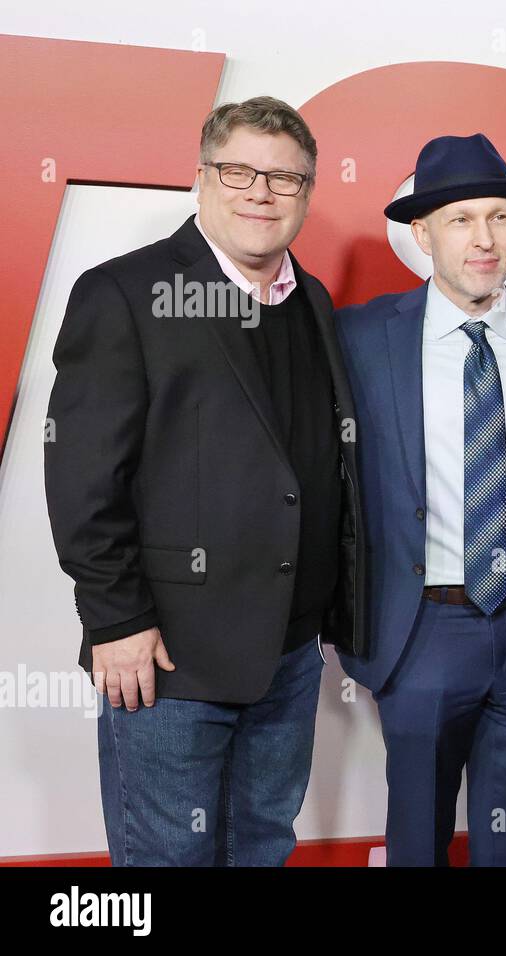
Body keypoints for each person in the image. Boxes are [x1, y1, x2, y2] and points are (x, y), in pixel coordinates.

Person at [44, 96, 365, 866]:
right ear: (200, 179)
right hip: (167, 660)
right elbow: (84, 476)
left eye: (285, 179)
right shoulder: (123, 293)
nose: (261, 191)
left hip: (288, 655)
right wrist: (115, 620)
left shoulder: (310, 299)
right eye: (240, 171)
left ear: (307, 195)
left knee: (258, 848)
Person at [334, 134, 506, 866]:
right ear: (422, 234)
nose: (485, 239)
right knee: (418, 842)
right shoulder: (361, 338)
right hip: (421, 631)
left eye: (500, 217)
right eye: (462, 219)